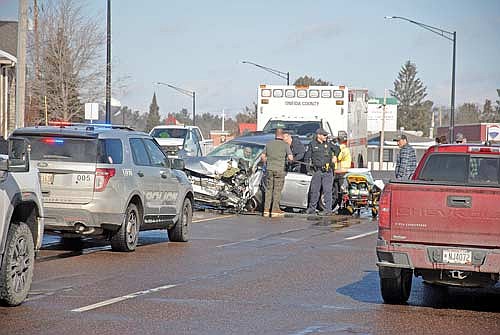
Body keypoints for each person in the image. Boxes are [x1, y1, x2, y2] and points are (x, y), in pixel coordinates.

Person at [304, 128, 338, 215]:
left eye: (326, 135)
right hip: (317, 171)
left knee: (327, 191)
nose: (326, 137)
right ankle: (312, 208)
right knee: (314, 190)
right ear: (318, 135)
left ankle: (328, 210)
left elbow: (338, 149)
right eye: (324, 135)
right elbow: (307, 157)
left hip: (327, 171)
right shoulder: (312, 144)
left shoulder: (329, 144)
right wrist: (308, 170)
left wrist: (335, 157)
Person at [260, 128, 293, 218]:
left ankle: (266, 210)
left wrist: (268, 161)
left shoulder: (269, 144)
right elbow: (290, 158)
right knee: (277, 190)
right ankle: (275, 210)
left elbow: (263, 157)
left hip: (269, 169)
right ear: (282, 135)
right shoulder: (285, 145)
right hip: (279, 170)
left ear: (275, 135)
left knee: (268, 190)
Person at [333, 135, 351, 210]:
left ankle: (344, 206)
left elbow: (339, 157)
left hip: (342, 172)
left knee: (342, 190)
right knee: (338, 190)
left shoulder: (344, 149)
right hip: (338, 171)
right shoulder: (344, 148)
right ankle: (340, 205)